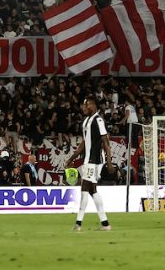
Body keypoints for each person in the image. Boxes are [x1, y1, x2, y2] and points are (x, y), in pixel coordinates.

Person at [65, 96, 114, 232]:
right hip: (87, 160)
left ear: (92, 106)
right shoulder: (86, 121)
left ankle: (78, 224)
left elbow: (106, 142)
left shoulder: (98, 120)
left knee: (84, 189)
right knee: (92, 191)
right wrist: (71, 159)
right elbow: (83, 144)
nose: (83, 108)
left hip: (95, 160)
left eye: (86, 105)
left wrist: (110, 163)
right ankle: (105, 224)